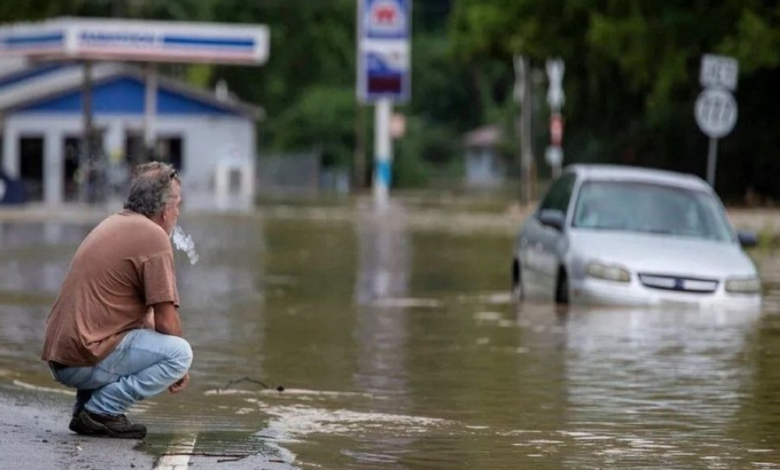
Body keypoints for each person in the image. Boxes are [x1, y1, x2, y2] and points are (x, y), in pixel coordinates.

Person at [41, 161, 192, 439]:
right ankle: (102, 410)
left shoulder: (115, 222)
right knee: (180, 354)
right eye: (178, 204)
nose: (178, 213)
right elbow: (168, 323)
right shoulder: (154, 236)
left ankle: (85, 409)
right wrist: (180, 370)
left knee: (134, 330)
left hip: (63, 357)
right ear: (164, 208)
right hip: (81, 360)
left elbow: (145, 318)